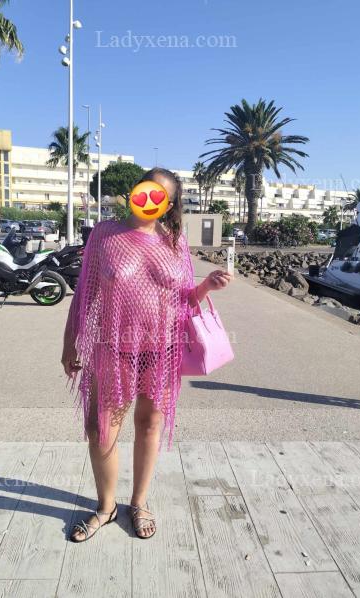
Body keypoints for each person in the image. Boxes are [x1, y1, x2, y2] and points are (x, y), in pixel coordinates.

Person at [62, 167, 232, 542]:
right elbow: (85, 293)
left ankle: (138, 502)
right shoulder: (105, 234)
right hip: (113, 348)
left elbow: (185, 299)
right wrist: (70, 340)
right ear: (135, 190)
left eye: (162, 195)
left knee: (150, 424)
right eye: (147, 188)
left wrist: (207, 285)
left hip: (163, 350)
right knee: (101, 430)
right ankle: (106, 507)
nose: (152, 198)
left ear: (169, 205)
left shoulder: (174, 241)